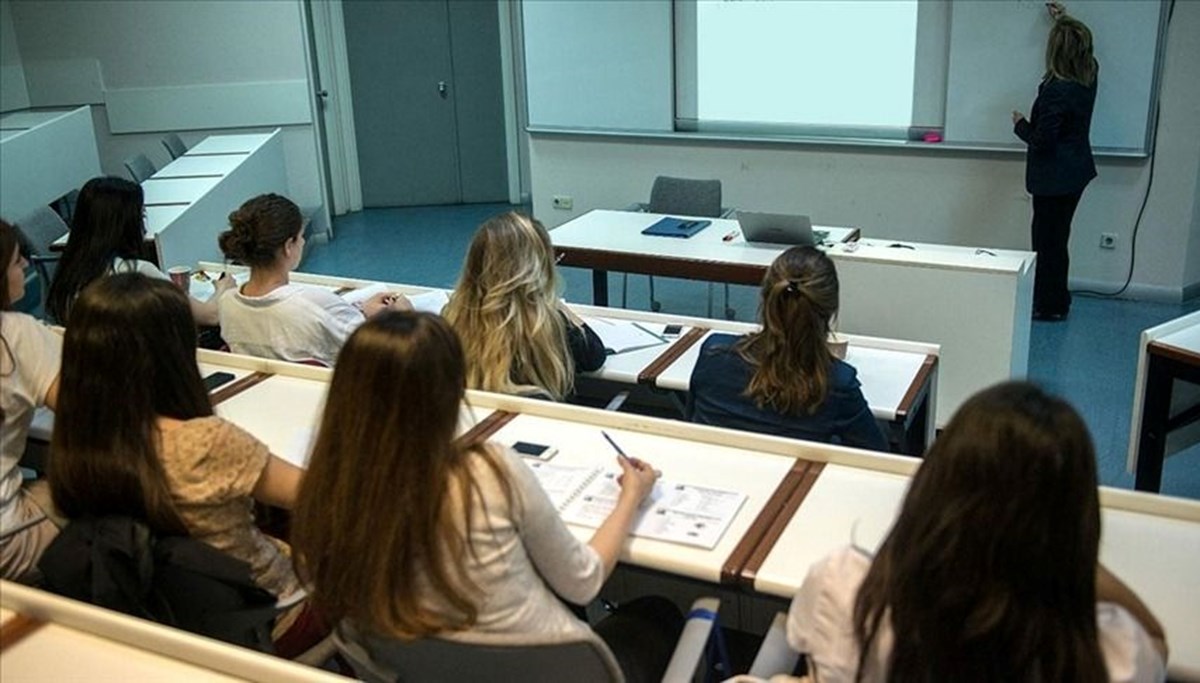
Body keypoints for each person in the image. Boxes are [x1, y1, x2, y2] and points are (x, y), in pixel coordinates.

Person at [292, 311, 682, 682]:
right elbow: (583, 580)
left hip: (427, 670)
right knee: (658, 613)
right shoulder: (487, 471)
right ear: (450, 390)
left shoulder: (326, 492)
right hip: (550, 674)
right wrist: (631, 495)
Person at [785, 382, 1167, 682]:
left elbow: (805, 645)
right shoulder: (1107, 655)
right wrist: (1066, 558)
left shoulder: (845, 590)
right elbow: (1157, 643)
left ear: (933, 483)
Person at [47, 273, 326, 656]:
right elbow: (324, 496)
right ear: (173, 351)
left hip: (168, 612)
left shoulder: (79, 442)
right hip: (269, 614)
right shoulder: (207, 442)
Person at [686, 246, 888, 452]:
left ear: (765, 297)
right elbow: (878, 457)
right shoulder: (838, 382)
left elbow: (691, 422)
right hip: (792, 481)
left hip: (711, 475)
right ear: (831, 309)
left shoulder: (714, 353)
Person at [217, 193, 408, 365]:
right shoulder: (313, 302)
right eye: (300, 236)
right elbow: (379, 353)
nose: (302, 241)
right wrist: (404, 316)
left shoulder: (227, 303)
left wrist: (360, 311)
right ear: (288, 246)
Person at [443, 212, 605, 400]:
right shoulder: (549, 325)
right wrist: (556, 303)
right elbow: (595, 357)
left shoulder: (453, 317)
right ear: (537, 269)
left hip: (476, 423)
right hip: (541, 425)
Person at [46, 176, 231, 325]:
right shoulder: (137, 273)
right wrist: (223, 289)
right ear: (127, 224)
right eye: (141, 215)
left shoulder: (67, 273)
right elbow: (210, 316)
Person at [1012, 3, 1098, 322]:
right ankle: (1057, 298)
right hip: (1074, 172)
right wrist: (1063, 19)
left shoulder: (1057, 91)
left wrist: (1020, 123)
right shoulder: (1088, 74)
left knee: (1047, 244)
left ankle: (1049, 306)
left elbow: (1042, 141)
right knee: (1058, 240)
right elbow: (1083, 47)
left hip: (1055, 178)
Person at [0, 219, 62, 582]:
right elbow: (90, 416)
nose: (25, 265)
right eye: (15, 260)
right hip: (9, 544)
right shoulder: (16, 335)